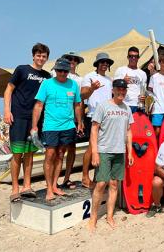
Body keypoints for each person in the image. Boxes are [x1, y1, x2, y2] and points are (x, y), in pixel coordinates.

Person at [3, 43, 51, 202]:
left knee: (30, 153)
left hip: (35, 120)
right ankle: (15, 188)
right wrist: (7, 110)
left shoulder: (47, 76)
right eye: (38, 55)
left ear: (47, 58)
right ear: (33, 56)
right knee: (17, 153)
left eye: (44, 56)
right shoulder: (22, 69)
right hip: (18, 117)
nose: (41, 58)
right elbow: (8, 90)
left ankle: (27, 186)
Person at [32, 58, 83, 201]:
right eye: (59, 70)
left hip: (68, 126)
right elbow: (38, 105)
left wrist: (79, 122)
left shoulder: (73, 85)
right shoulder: (47, 84)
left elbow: (78, 104)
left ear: (68, 71)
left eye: (65, 71)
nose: (62, 73)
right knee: (50, 155)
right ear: (55, 70)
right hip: (50, 126)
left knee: (61, 154)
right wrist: (34, 126)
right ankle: (49, 188)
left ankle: (55, 185)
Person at [88, 79, 134, 232]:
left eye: (124, 89)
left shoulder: (127, 108)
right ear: (113, 90)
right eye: (119, 89)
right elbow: (94, 129)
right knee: (101, 184)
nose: (121, 92)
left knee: (114, 185)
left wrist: (130, 152)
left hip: (119, 151)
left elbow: (128, 130)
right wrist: (94, 152)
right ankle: (93, 217)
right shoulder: (103, 105)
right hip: (104, 150)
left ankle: (109, 216)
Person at [51, 51, 85, 189]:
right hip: (56, 118)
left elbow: (80, 102)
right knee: (57, 151)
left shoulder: (79, 79)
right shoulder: (55, 73)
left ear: (77, 62)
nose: (72, 61)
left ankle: (66, 178)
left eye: (74, 59)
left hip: (72, 118)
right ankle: (54, 181)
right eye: (69, 59)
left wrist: (80, 120)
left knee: (71, 149)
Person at [80, 52, 114, 188]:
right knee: (91, 147)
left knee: (102, 149)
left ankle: (96, 178)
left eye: (107, 62)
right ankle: (84, 177)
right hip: (93, 116)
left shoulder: (109, 80)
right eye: (102, 62)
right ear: (97, 63)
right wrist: (92, 89)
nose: (105, 64)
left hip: (107, 117)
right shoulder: (89, 76)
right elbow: (82, 95)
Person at [114, 46, 147, 113]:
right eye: (131, 56)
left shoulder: (143, 73)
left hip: (138, 106)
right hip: (124, 105)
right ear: (128, 57)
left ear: (138, 58)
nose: (133, 58)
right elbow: (113, 87)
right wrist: (123, 82)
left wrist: (144, 97)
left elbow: (144, 90)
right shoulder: (120, 70)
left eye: (136, 56)